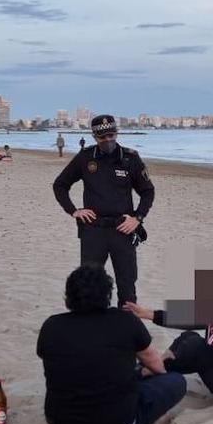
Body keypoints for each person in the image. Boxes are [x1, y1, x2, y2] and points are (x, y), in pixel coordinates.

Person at [37, 266, 186, 424]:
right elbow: (155, 364)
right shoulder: (125, 321)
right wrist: (156, 377)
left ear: (69, 296)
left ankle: (137, 376)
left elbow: (63, 362)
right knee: (176, 381)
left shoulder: (51, 326)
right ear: (107, 295)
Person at [124, 273, 213, 410]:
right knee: (189, 337)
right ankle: (152, 369)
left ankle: (147, 372)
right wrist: (148, 314)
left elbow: (202, 355)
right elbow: (187, 318)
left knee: (194, 345)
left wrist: (158, 366)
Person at [53, 114, 154, 308]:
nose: (108, 140)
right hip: (93, 230)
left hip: (122, 229)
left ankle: (125, 329)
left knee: (127, 284)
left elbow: (148, 191)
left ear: (116, 133)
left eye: (111, 135)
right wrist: (73, 210)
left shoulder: (130, 158)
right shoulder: (85, 158)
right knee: (88, 285)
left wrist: (137, 218)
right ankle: (90, 328)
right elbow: (60, 185)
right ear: (94, 137)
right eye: (103, 137)